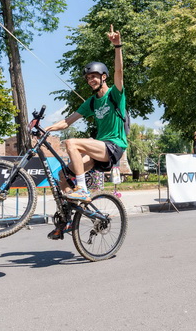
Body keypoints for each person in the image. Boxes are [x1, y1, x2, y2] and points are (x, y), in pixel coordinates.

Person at [44, 25, 127, 237]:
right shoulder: (91, 102)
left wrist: (117, 46)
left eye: (94, 76)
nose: (91, 80)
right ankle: (69, 219)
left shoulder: (115, 95)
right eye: (88, 78)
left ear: (104, 77)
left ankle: (82, 189)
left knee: (72, 143)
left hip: (114, 146)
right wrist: (45, 129)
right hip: (99, 150)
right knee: (63, 176)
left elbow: (119, 72)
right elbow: (67, 121)